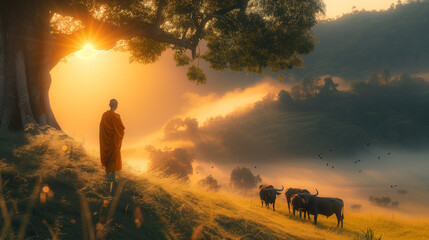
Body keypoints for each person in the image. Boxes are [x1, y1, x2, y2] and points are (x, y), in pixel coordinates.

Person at [99, 99, 125, 190]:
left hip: (107, 142)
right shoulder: (117, 116)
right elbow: (121, 130)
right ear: (116, 105)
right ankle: (112, 179)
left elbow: (102, 129)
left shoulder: (104, 115)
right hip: (114, 142)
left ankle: (107, 178)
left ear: (109, 104)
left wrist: (105, 139)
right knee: (113, 158)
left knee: (109, 158)